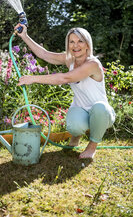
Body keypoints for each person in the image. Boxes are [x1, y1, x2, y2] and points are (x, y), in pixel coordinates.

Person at [14, 24, 116, 159]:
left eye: (80, 41)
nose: (76, 45)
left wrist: (33, 78)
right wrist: (24, 36)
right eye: (71, 42)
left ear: (87, 44)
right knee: (74, 126)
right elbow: (44, 54)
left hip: (102, 114)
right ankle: (76, 136)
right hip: (81, 109)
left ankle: (92, 147)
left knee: (100, 108)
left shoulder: (92, 64)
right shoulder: (70, 60)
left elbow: (65, 78)